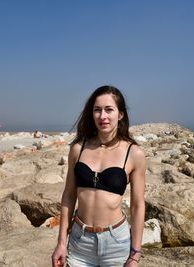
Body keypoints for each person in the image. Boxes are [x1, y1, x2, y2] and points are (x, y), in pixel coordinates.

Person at [52, 85, 146, 267]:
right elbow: (69, 196)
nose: (102, 116)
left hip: (116, 243)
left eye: (109, 109)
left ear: (120, 114)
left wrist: (135, 254)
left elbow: (137, 205)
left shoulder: (134, 154)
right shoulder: (78, 148)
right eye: (97, 110)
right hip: (80, 242)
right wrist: (61, 243)